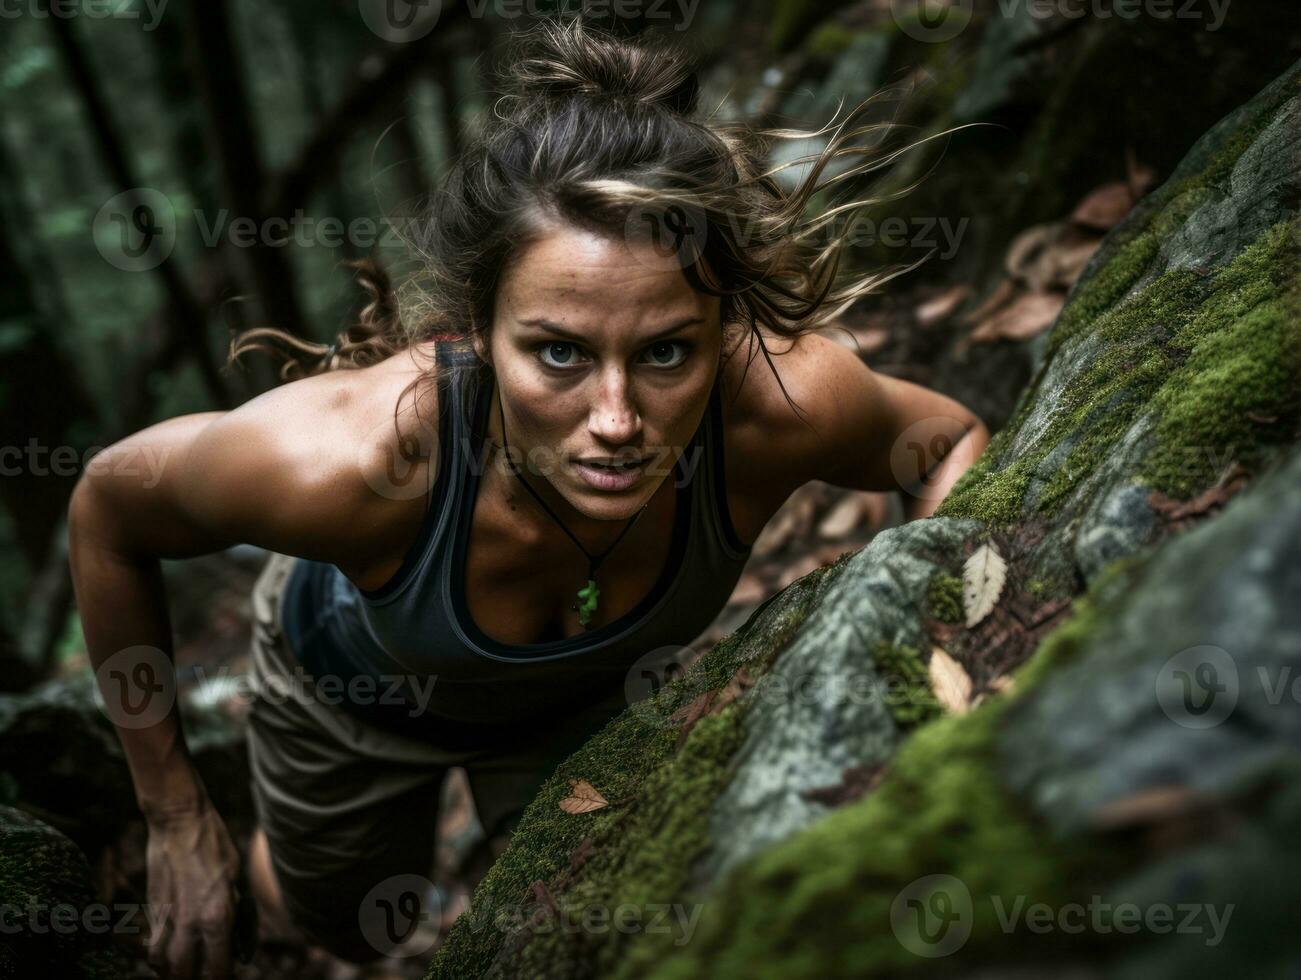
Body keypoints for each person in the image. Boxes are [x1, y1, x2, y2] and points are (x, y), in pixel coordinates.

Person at [66, 17, 990, 980]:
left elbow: (948, 442)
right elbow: (106, 507)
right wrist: (175, 817)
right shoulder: (338, 464)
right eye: (558, 352)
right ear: (475, 328)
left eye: (667, 350)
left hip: (588, 699)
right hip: (349, 700)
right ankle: (271, 844)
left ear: (726, 325)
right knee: (334, 925)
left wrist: (928, 644)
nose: (617, 419)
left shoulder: (780, 409)